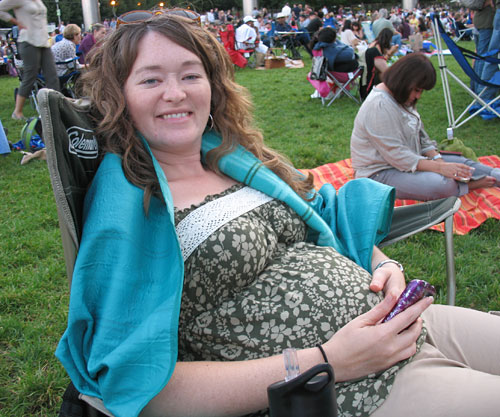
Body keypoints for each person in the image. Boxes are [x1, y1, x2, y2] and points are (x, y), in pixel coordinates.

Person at [55, 13, 500, 417]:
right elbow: (138, 385)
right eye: (151, 81)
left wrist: (382, 263)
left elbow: (317, 213)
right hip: (354, 389)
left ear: (212, 84)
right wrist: (328, 359)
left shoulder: (231, 156)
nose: (176, 93)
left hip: (407, 323)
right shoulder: (130, 200)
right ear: (121, 95)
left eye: (191, 74)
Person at [351, 53, 500, 201]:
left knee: (463, 164)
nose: (418, 96)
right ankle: (469, 186)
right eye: (417, 90)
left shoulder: (401, 97)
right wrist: (440, 168)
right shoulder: (379, 106)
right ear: (403, 81)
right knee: (441, 184)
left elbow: (421, 137)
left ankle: (495, 175)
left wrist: (438, 159)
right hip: (379, 173)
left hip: (409, 160)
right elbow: (398, 155)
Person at [0, 0, 59, 120]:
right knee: (30, 75)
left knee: (52, 75)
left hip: (43, 41)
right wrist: (15, 22)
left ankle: (57, 108)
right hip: (28, 41)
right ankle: (17, 111)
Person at [360, 28, 398, 100]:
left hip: (368, 82)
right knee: (387, 75)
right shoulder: (374, 50)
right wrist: (390, 53)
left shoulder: (376, 46)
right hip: (369, 87)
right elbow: (386, 70)